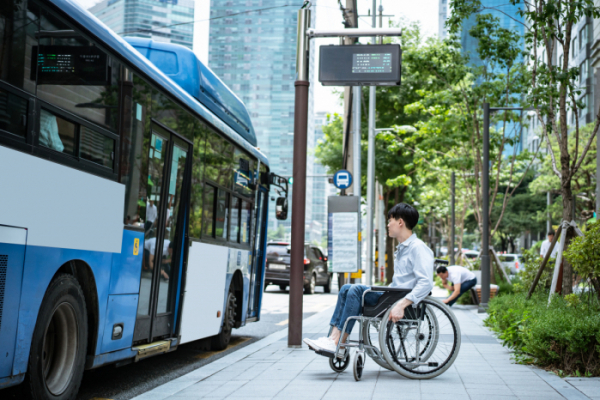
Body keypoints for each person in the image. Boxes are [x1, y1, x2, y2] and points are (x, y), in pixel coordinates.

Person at [303, 203, 433, 355]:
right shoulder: (403, 248)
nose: (388, 224)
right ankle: (333, 339)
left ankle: (338, 342)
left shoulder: (418, 248)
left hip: (399, 299)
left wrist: (401, 305)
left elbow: (426, 283)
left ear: (400, 222)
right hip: (392, 294)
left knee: (356, 290)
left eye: (390, 220)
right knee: (346, 288)